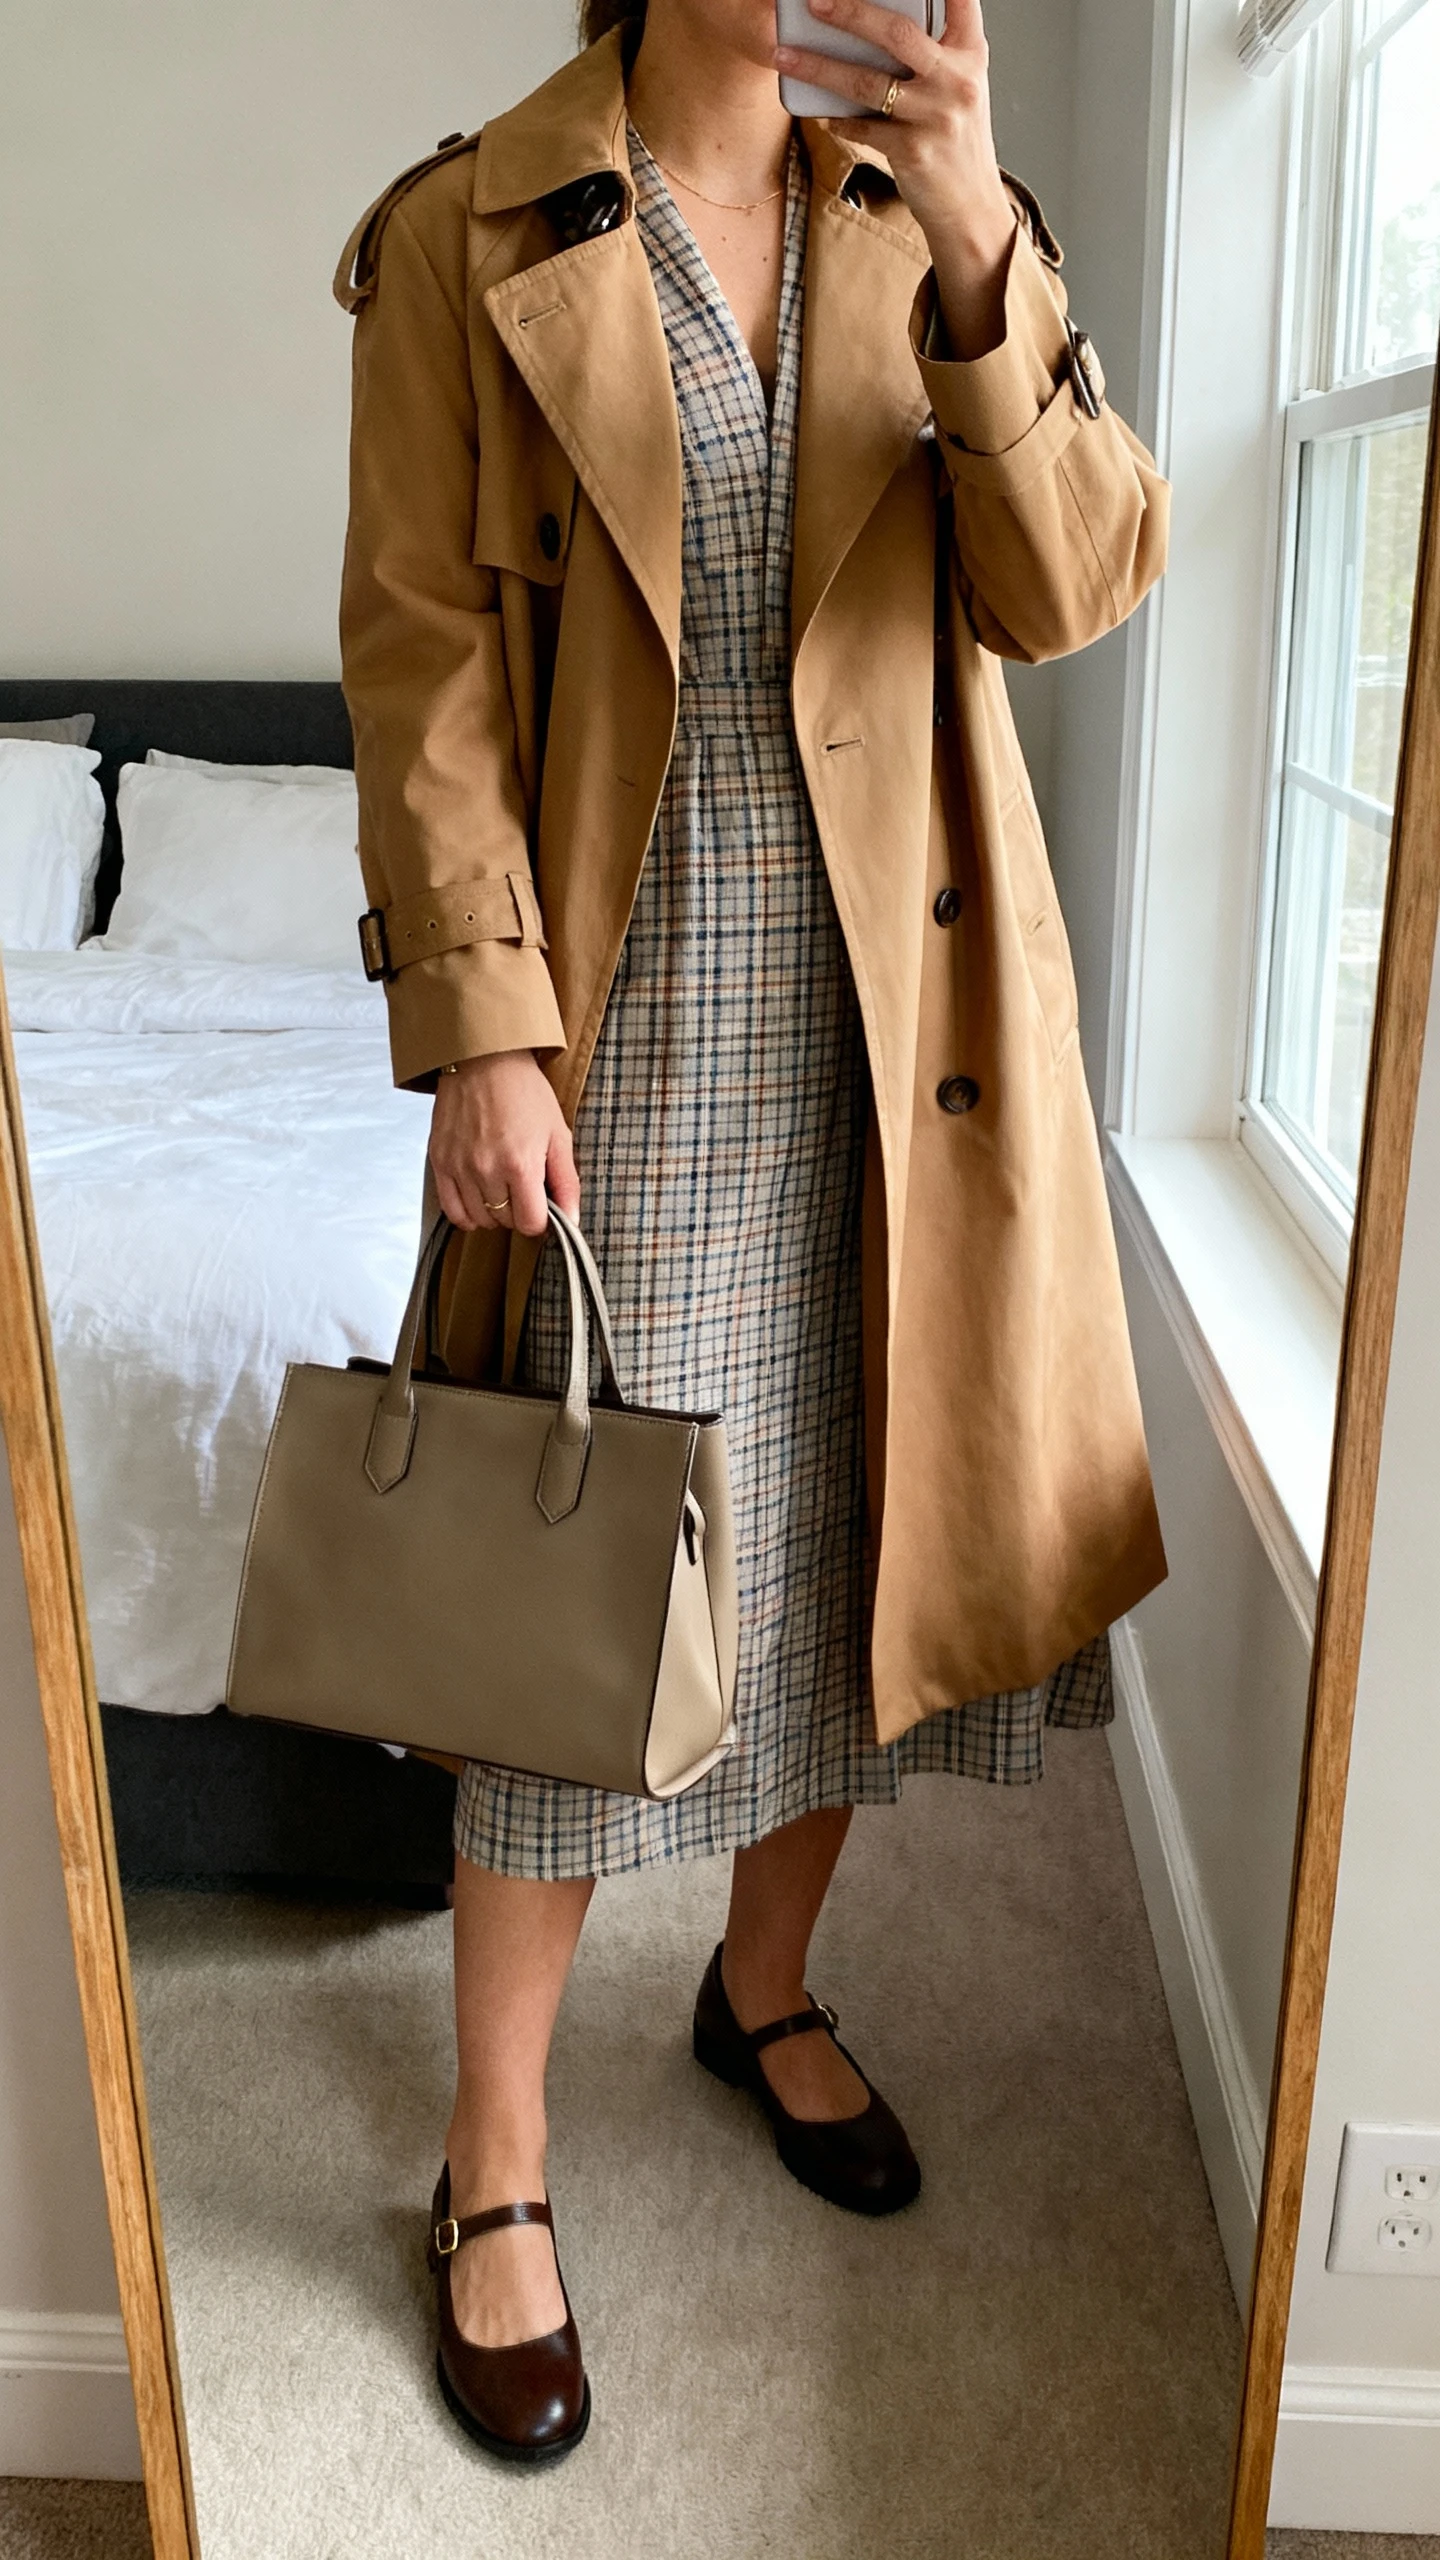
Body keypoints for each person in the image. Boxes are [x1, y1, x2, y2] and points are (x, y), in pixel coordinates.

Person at [336, 0, 1169, 2465]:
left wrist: (993, 225)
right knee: (569, 1611)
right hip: (627, 1019)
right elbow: (424, 667)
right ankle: (495, 2164)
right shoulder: (462, 225)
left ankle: (763, 1984)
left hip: (908, 1021)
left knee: (837, 1551)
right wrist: (482, 1027)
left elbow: (1079, 577)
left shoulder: (930, 225)